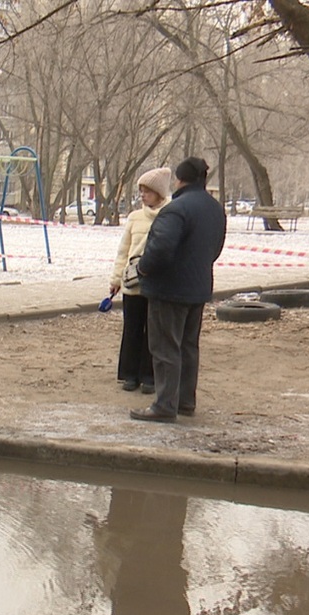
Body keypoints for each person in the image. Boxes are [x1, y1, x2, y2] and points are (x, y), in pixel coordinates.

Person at [130, 157, 226, 423]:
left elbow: (160, 248)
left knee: (164, 348)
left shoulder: (175, 210)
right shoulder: (215, 209)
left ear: (179, 180)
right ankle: (185, 401)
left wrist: (144, 269)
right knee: (188, 347)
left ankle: (164, 405)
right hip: (198, 287)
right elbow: (216, 248)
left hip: (168, 289)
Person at [109, 167, 171, 394]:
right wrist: (116, 279)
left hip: (157, 284)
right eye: (141, 191)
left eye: (147, 191)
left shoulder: (170, 216)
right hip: (132, 283)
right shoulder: (134, 218)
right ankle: (129, 374)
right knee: (132, 329)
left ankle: (149, 376)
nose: (143, 196)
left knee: (153, 332)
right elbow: (123, 251)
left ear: (159, 193)